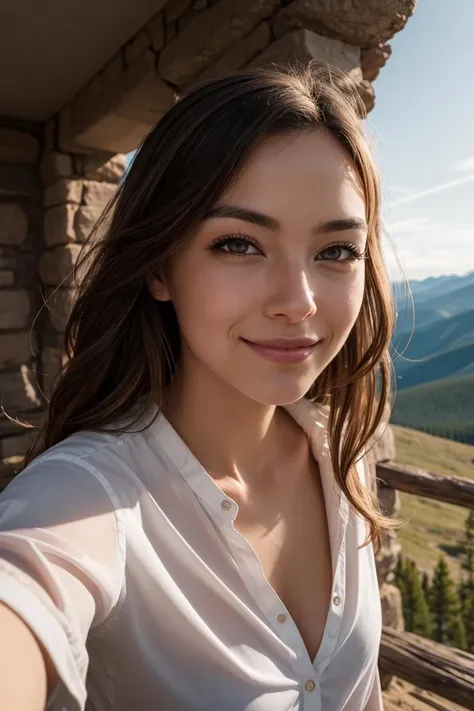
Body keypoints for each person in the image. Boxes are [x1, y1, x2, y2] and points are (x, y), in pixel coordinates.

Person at [0, 64, 400, 711]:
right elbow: (24, 587)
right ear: (160, 267)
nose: (298, 303)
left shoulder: (337, 451)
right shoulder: (88, 496)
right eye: (240, 243)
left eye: (335, 251)